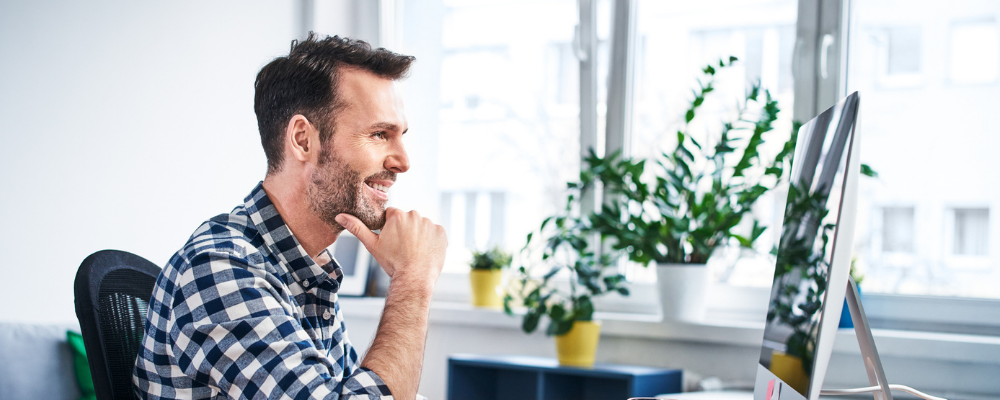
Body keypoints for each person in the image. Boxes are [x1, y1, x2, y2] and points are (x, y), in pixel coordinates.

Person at [133, 34, 447, 400]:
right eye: (379, 134)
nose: (403, 161)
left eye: (400, 136)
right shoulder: (221, 269)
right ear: (302, 139)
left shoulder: (303, 271)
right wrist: (413, 280)